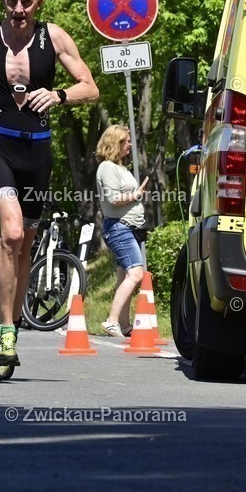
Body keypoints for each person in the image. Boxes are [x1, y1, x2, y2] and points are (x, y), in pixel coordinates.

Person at [0, 0, 98, 371]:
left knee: (26, 243)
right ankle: (6, 331)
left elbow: (90, 86)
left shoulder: (56, 38)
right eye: (12, 1)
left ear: (39, 3)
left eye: (26, 2)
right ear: (3, 0)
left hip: (38, 153)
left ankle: (11, 327)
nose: (18, 9)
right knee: (11, 232)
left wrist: (59, 94)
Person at [95, 124, 148, 338]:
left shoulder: (120, 167)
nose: (130, 145)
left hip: (128, 227)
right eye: (126, 141)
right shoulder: (107, 167)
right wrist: (136, 195)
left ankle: (124, 325)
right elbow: (113, 199)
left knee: (123, 277)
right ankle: (111, 321)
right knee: (136, 274)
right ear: (115, 144)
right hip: (119, 228)